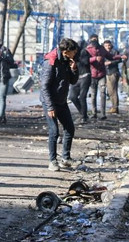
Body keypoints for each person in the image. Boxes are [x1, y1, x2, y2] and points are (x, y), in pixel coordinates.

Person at [40, 38, 79, 171]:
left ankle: (66, 158)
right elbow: (44, 86)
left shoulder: (68, 61)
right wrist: (50, 107)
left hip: (62, 101)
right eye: (74, 51)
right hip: (50, 101)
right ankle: (52, 161)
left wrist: (74, 69)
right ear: (66, 51)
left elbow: (73, 81)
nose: (75, 54)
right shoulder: (51, 62)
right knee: (54, 131)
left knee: (69, 128)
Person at [68, 39, 91, 123]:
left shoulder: (84, 52)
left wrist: (76, 58)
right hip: (76, 77)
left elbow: (85, 62)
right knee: (72, 97)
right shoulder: (71, 53)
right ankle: (83, 113)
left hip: (85, 76)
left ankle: (83, 117)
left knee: (82, 97)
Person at [86, 35, 108, 119]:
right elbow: (85, 60)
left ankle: (103, 113)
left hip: (102, 74)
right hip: (92, 75)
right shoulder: (87, 49)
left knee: (103, 94)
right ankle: (94, 112)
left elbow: (109, 56)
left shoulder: (102, 49)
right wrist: (94, 58)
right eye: (93, 39)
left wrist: (119, 57)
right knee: (93, 94)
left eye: (96, 39)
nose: (95, 41)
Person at [103, 40, 123, 114]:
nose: (107, 47)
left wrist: (110, 62)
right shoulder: (103, 53)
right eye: (105, 46)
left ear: (111, 45)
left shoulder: (115, 52)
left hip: (113, 72)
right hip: (107, 72)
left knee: (113, 90)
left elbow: (119, 60)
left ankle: (115, 107)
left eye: (108, 45)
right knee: (110, 91)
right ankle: (113, 106)